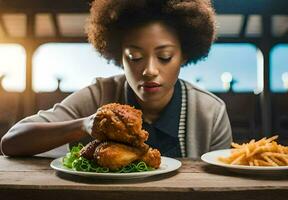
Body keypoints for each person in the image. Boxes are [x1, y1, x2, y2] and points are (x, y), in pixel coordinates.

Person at [0, 0, 232, 158]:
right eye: (135, 57)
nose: (150, 70)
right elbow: (11, 142)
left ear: (184, 56)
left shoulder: (211, 112)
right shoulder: (99, 95)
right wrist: (84, 124)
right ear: (119, 56)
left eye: (164, 56)